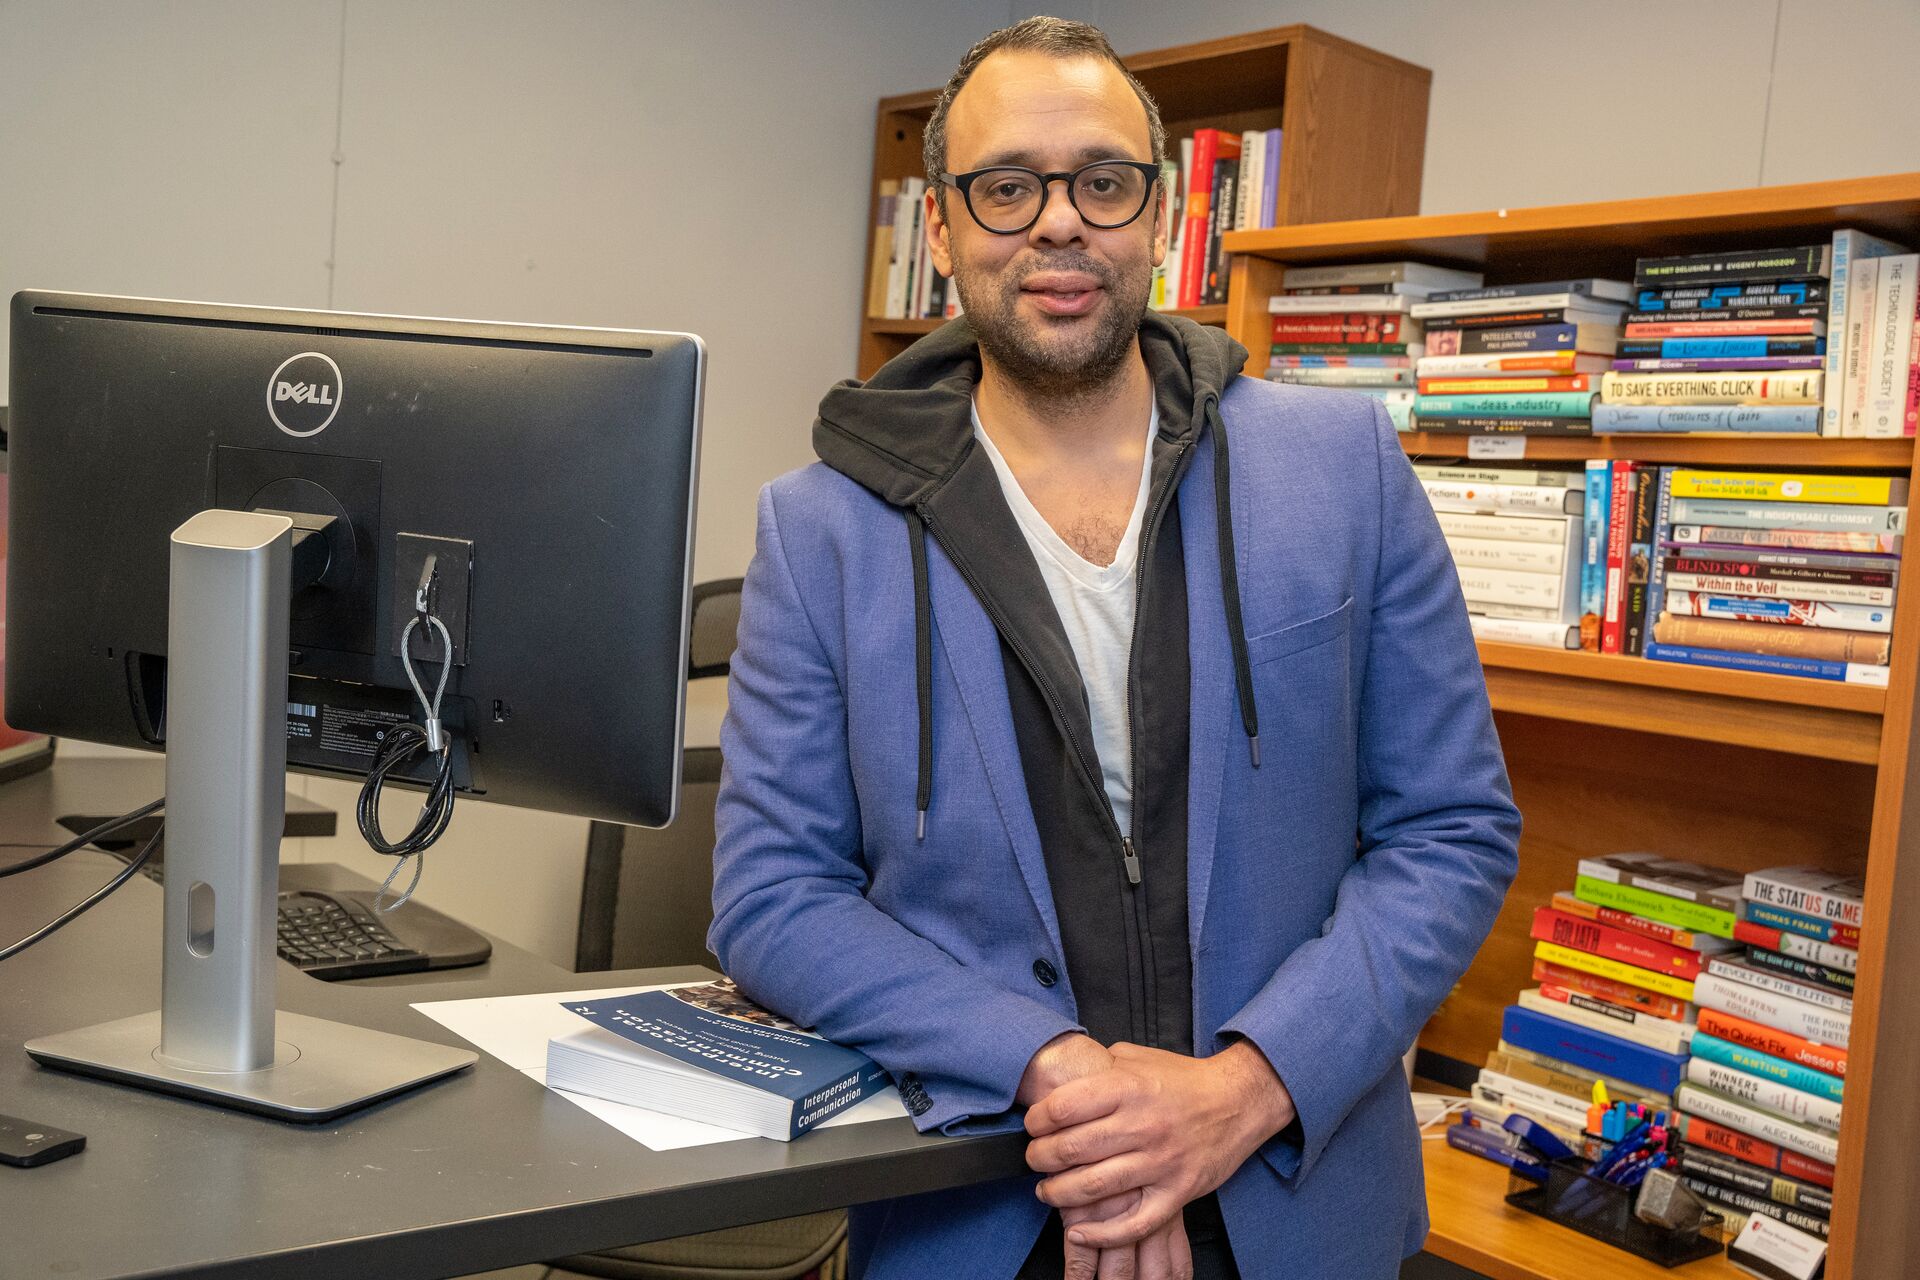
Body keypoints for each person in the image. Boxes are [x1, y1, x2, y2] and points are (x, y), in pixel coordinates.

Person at [708, 16, 1520, 1280]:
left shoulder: (1342, 471)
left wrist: (1247, 1087)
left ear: (1158, 211)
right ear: (941, 230)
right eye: (1006, 187)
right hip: (979, 1202)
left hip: (1301, 1207)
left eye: (1101, 181)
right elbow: (773, 897)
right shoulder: (821, 529)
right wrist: (1054, 1066)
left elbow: (1451, 830)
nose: (1059, 223)